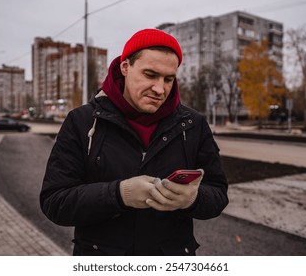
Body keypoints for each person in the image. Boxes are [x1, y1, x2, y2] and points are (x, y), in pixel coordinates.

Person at [40, 28, 228, 256]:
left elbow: (218, 194)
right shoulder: (83, 121)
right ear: (125, 67)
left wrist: (193, 199)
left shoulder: (192, 124)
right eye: (150, 75)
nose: (160, 89)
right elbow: (55, 202)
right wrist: (119, 194)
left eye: (168, 79)